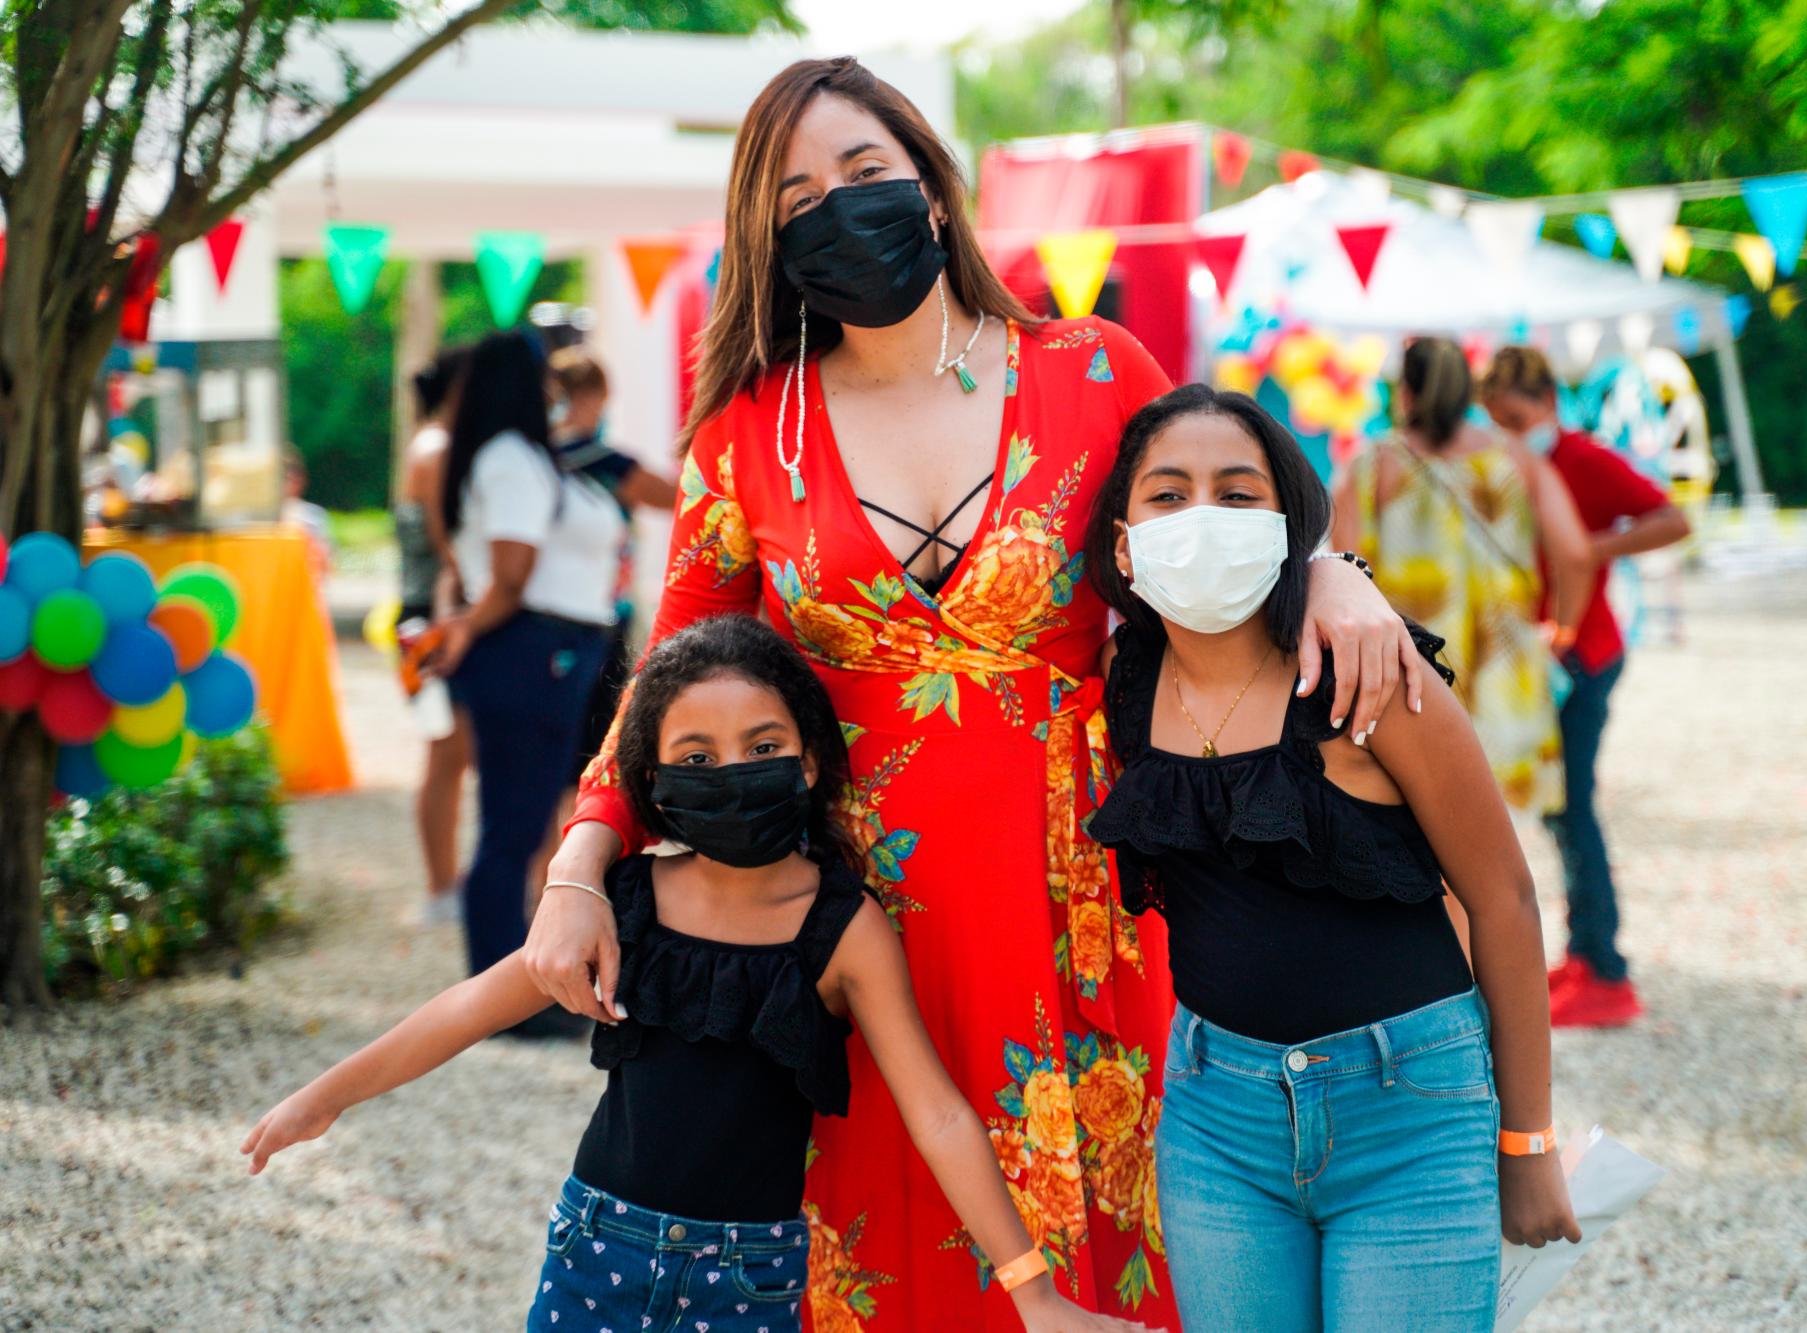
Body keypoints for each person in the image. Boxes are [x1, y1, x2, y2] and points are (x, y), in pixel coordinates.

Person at [521, 57, 1426, 1330]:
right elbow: (668, 675)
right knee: (891, 1234)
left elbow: (1223, 511)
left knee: (1131, 1238)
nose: (836, 205)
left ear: (932, 192)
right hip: (859, 919)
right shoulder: (748, 437)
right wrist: (577, 868)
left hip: (1088, 889)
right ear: (768, 240)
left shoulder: (1092, 371)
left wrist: (1330, 569)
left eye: (862, 172)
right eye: (795, 194)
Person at [242, 616, 1159, 1333]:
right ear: (653, 778)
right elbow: (472, 1004)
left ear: (808, 759)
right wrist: (325, 1098)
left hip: (750, 1276)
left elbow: (939, 1110)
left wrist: (1033, 1292)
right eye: (696, 758)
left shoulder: (845, 929)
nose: (733, 771)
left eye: (764, 748)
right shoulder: (624, 902)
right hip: (595, 1251)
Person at [1084, 382, 1579, 1330]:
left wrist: (1529, 1139)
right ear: (1123, 541)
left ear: (1287, 532)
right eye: (1168, 494)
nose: (1202, 518)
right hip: (1214, 1124)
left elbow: (1505, 898)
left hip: (1412, 1118)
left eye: (1238, 494)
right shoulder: (1127, 681)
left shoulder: (1372, 678)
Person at [1481, 345, 1691, 1028]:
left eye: (1516, 417)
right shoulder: (1509, 466)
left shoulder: (1582, 460)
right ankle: (1583, 952)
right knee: (1555, 809)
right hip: (1542, 658)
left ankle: (1606, 968)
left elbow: (1673, 519)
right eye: (1494, 421)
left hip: (1584, 654)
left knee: (1575, 808)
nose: (1508, 432)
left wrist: (1588, 548)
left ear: (1547, 404)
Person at [431, 330, 625, 1013]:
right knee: (512, 827)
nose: (553, 385)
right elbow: (510, 574)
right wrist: (465, 627)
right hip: (528, 647)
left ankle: (513, 989)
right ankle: (499, 1000)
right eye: (544, 372)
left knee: (524, 820)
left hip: (547, 647)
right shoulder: (510, 457)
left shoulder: (519, 454)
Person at [1333, 336, 1594, 817]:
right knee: (1498, 832)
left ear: (1404, 393)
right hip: (1506, 668)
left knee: (1425, 828)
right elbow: (1575, 555)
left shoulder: (1373, 465)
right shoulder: (1517, 458)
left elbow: (1344, 573)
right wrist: (1563, 629)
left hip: (1412, 677)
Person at [538, 347, 680, 890]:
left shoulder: (535, 458)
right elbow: (681, 497)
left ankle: (549, 876)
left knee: (554, 759)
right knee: (594, 755)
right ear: (592, 396)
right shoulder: (602, 462)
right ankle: (576, 875)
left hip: (548, 615)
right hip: (602, 616)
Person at [399, 347, 472, 927]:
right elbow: (450, 542)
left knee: (446, 752)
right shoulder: (439, 448)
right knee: (446, 753)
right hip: (430, 621)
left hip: (421, 617)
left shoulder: (428, 442)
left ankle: (444, 882)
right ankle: (441, 885)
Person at [279, 445, 333, 580]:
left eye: (294, 476)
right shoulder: (261, 518)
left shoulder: (313, 515)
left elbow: (326, 564)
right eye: (284, 478)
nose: (290, 483)